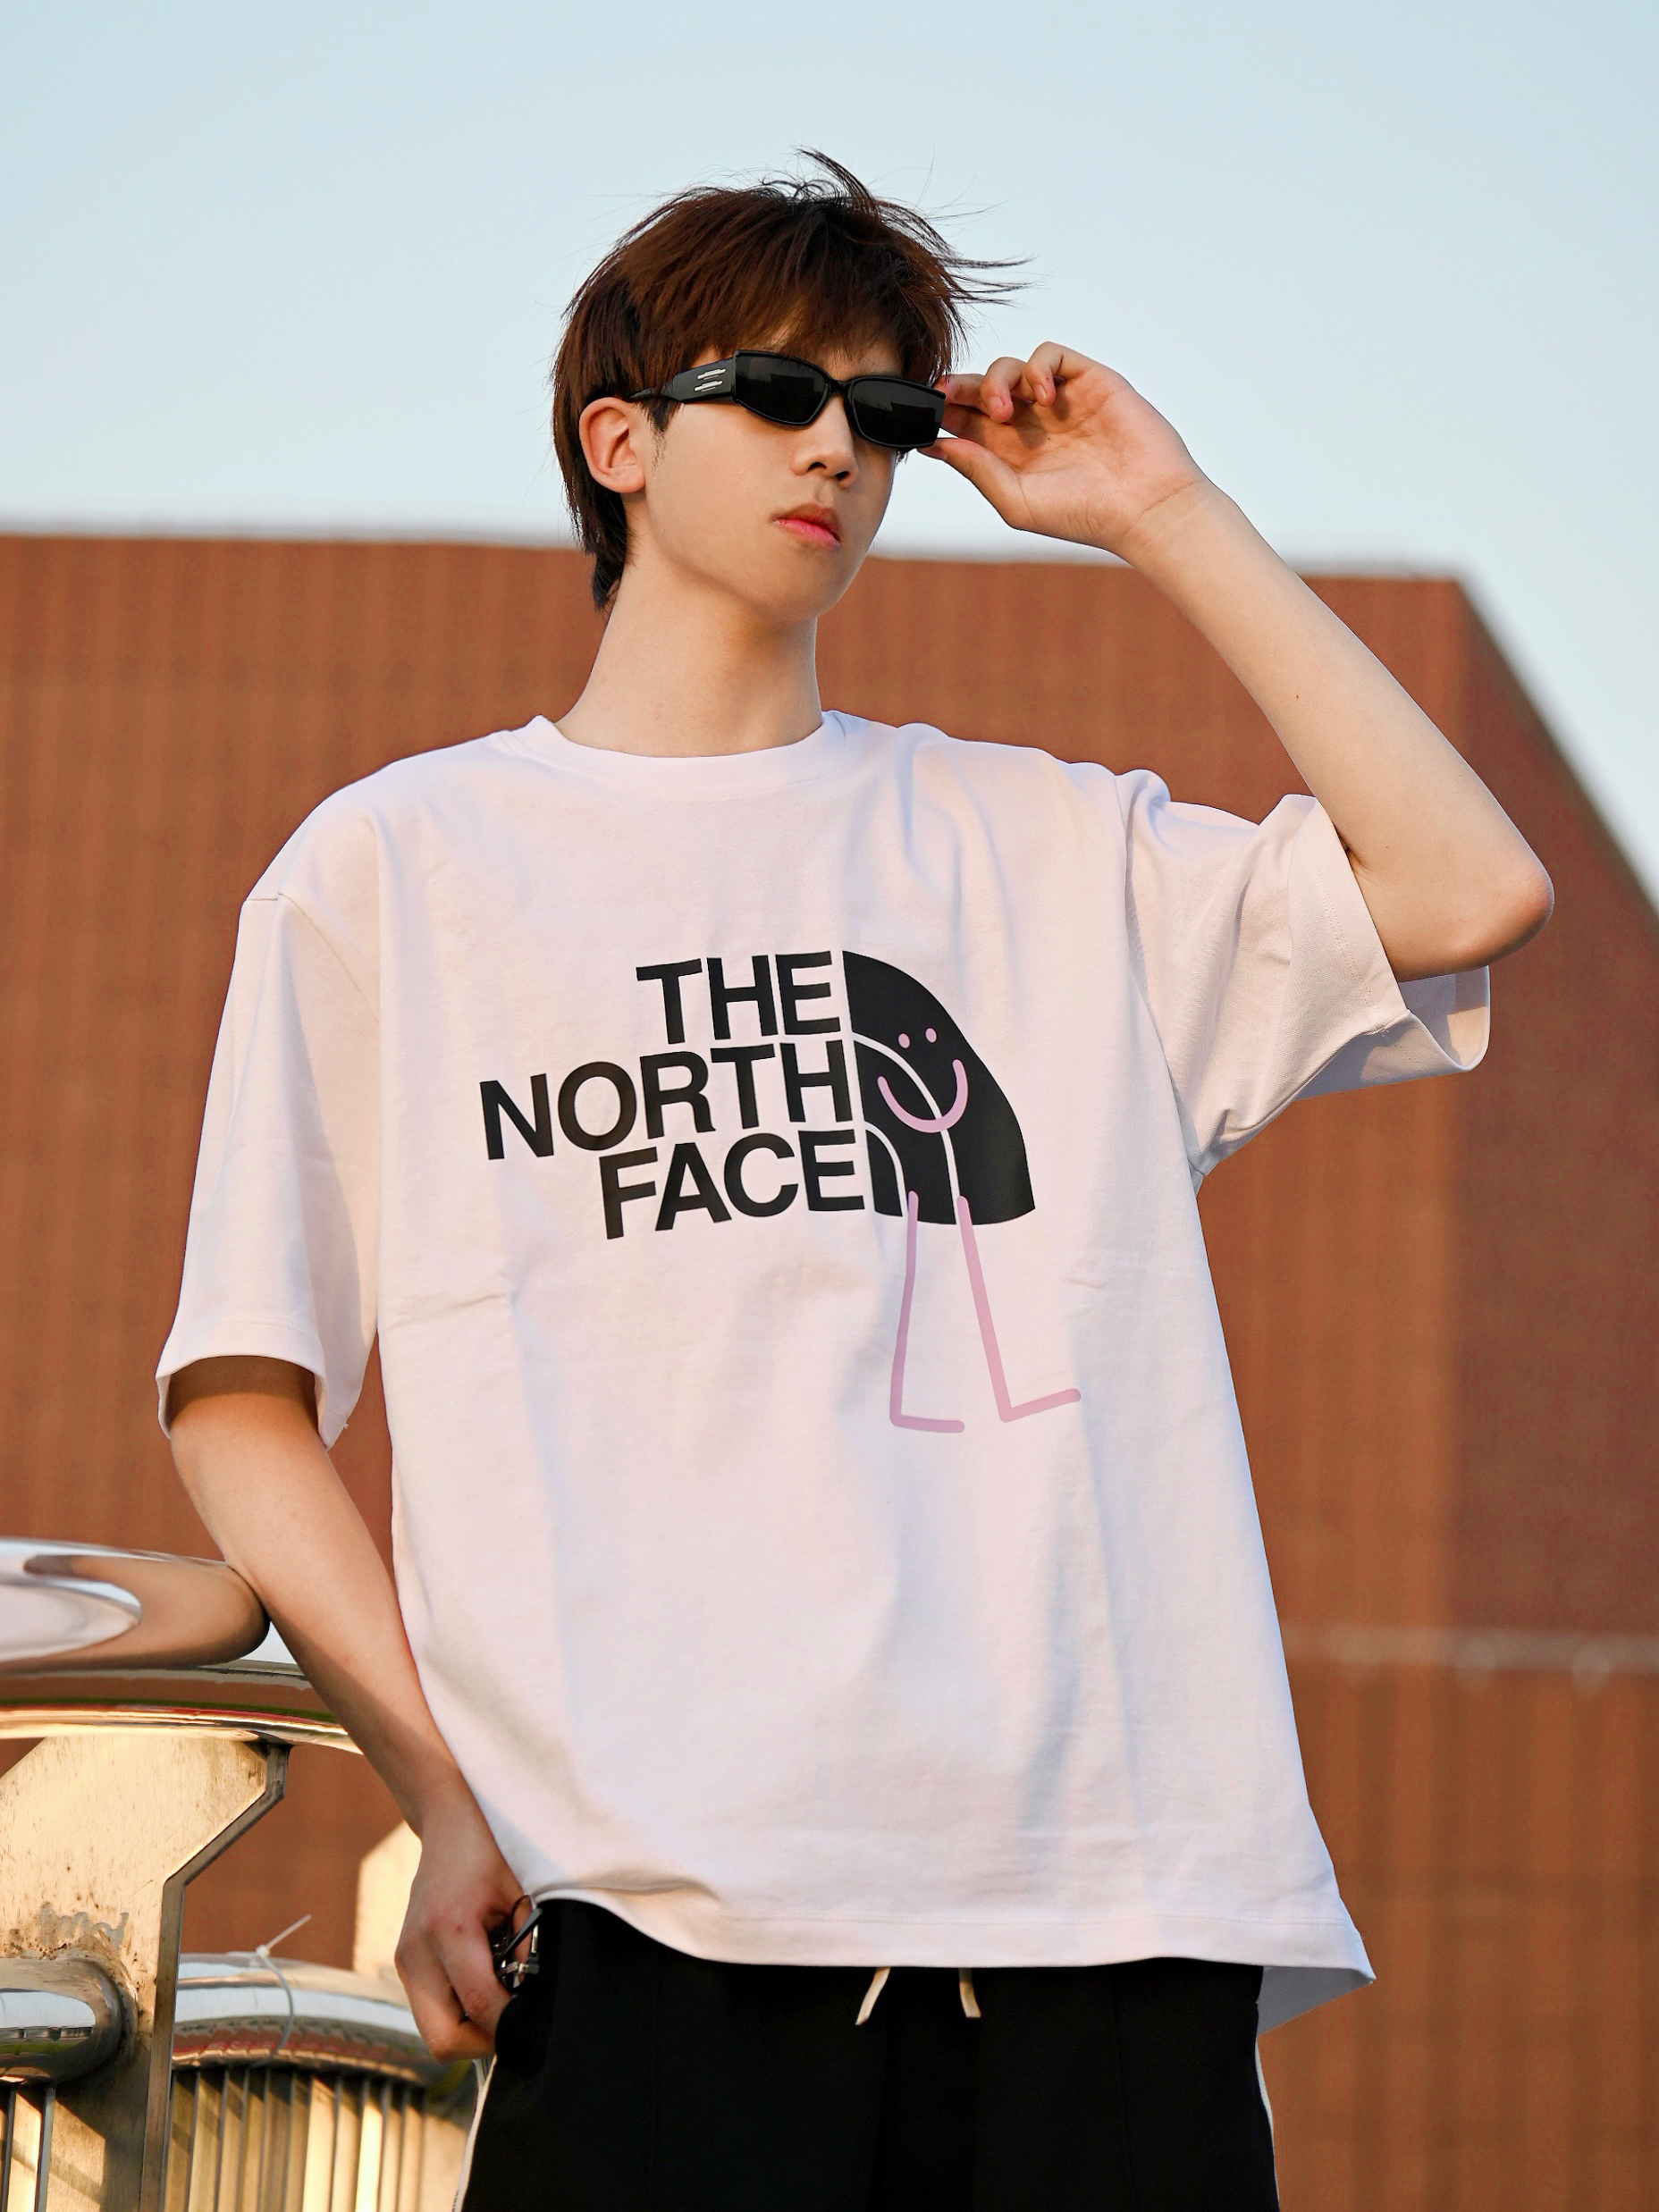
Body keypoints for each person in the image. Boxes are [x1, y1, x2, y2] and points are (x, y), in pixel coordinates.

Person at [159, 155, 1551, 2209]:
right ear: (616, 442)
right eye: (776, 390)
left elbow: (1465, 886)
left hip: (1104, 1920)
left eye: (882, 410)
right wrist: (437, 1788)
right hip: (653, 1926)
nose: (838, 446)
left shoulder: (1035, 847)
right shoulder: (399, 870)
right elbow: (240, 1393)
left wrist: (1160, 508)